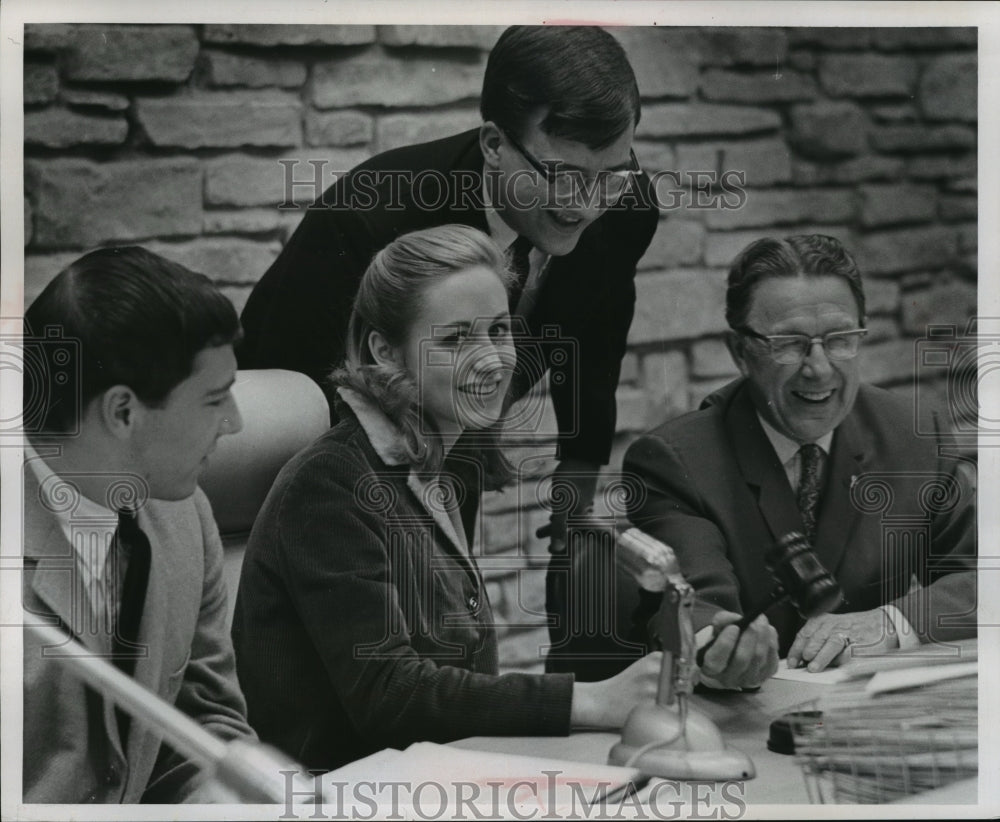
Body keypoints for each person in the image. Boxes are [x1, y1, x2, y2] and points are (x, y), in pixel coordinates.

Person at [236, 26, 660, 650]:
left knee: (454, 637)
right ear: (495, 143)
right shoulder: (371, 215)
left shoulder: (625, 207)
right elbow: (305, 398)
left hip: (448, 436)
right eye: (563, 175)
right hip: (313, 449)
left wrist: (576, 503)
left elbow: (597, 336)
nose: (585, 205)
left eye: (611, 175)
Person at [231, 225, 661, 771]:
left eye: (499, 331)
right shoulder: (331, 485)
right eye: (456, 339)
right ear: (384, 350)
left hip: (440, 774)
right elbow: (390, 694)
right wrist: (593, 700)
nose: (490, 360)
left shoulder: (433, 464)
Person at [623, 234, 976, 686]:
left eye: (840, 340)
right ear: (740, 353)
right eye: (789, 344)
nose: (820, 368)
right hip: (737, 717)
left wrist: (888, 624)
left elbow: (981, 580)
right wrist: (720, 644)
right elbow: (692, 606)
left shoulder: (914, 434)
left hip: (868, 712)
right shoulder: (674, 461)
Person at [21, 247, 255, 802]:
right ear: (123, 411)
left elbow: (204, 724)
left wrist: (234, 797)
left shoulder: (185, 513)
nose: (236, 422)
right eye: (215, 400)